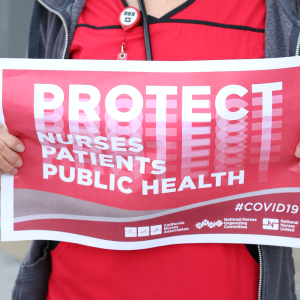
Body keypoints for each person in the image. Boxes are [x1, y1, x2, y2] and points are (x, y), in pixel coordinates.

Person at [1, 0, 299, 299]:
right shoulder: (62, 6)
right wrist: (6, 143)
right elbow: (31, 126)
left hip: (224, 283)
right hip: (76, 283)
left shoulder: (280, 10)